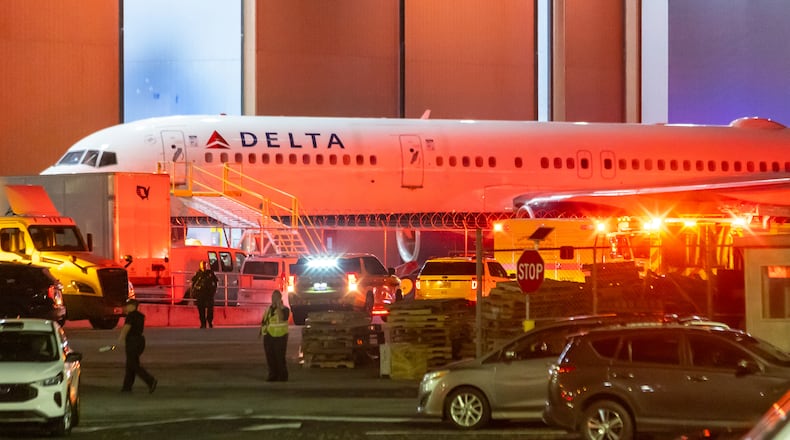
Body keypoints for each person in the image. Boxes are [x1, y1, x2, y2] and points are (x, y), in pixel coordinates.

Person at [117, 299, 157, 393]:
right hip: (140, 341)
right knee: (131, 364)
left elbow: (127, 328)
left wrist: (121, 338)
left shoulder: (131, 316)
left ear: (132, 306)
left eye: (127, 305)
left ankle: (150, 380)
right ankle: (127, 387)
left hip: (132, 341)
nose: (126, 307)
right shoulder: (140, 316)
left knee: (133, 364)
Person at [259, 290, 290, 382]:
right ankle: (273, 375)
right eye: (272, 297)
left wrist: (278, 307)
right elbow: (264, 321)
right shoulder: (268, 309)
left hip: (280, 336)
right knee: (270, 357)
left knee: (280, 357)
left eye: (276, 298)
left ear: (280, 298)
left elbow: (282, 318)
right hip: (269, 336)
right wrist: (261, 332)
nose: (273, 299)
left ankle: (282, 376)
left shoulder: (285, 309)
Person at [191, 260, 218, 328]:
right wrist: (193, 292)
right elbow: (193, 283)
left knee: (210, 309)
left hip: (209, 293)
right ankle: (203, 323)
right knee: (201, 309)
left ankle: (210, 321)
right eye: (202, 265)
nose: (203, 266)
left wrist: (213, 290)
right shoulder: (198, 274)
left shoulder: (210, 273)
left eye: (204, 265)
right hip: (200, 293)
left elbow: (215, 282)